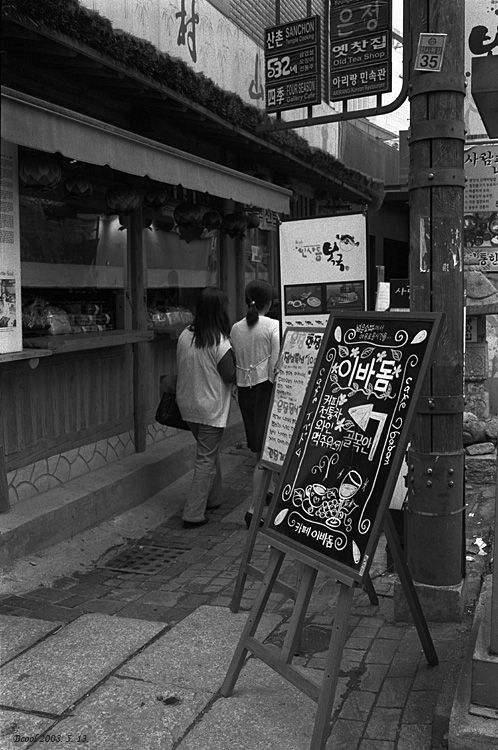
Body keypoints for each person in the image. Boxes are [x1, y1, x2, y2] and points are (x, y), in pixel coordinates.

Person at [176, 286, 236, 528]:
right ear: (220, 310)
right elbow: (230, 375)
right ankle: (193, 514)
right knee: (205, 459)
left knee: (208, 452)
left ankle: (214, 498)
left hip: (187, 405)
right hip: (210, 408)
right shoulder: (219, 341)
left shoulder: (184, 335)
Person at [231, 279, 280, 529]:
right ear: (269, 302)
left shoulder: (235, 329)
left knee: (260, 448)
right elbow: (275, 368)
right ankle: (253, 509)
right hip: (265, 390)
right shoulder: (273, 326)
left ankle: (270, 492)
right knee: (265, 452)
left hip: (245, 391)